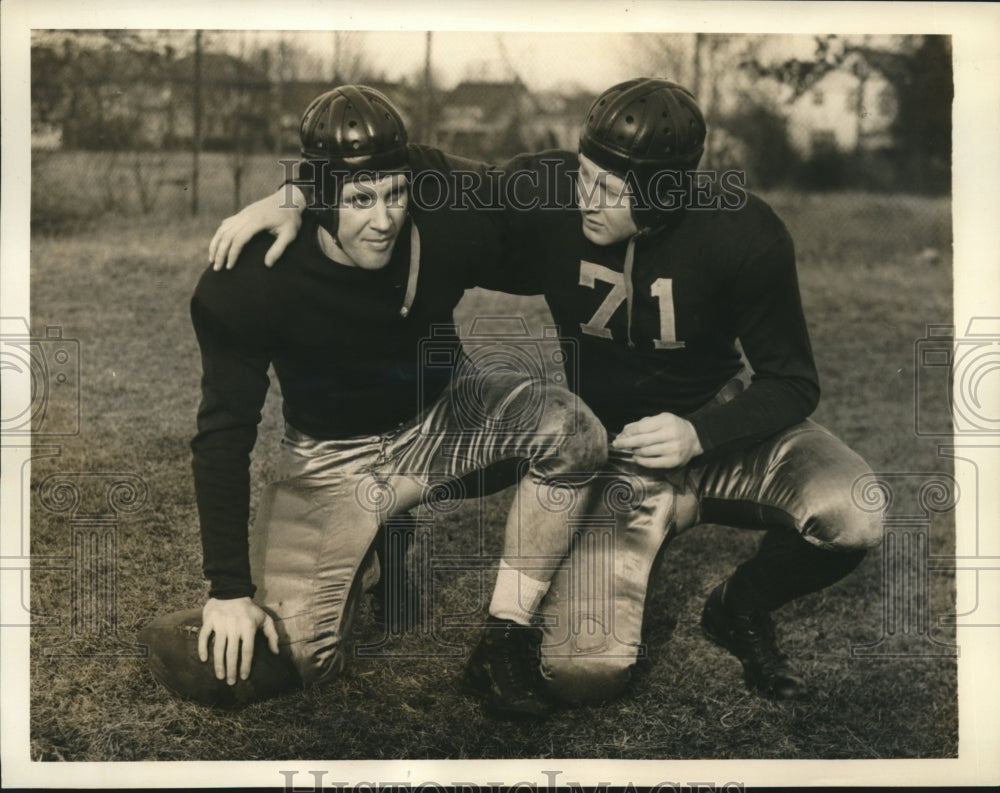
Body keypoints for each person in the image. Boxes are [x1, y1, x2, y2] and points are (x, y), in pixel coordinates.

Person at [207, 78, 884, 704]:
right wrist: (294, 192)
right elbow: (421, 169)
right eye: (584, 176)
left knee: (856, 509)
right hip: (618, 453)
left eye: (609, 190)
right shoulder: (552, 192)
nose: (585, 198)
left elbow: (794, 380)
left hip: (722, 423)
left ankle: (737, 604)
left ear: (663, 196)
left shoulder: (743, 232)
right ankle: (393, 532)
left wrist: (701, 432)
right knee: (582, 670)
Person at [140, 85, 607, 719]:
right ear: (324, 198)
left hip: (447, 413)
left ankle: (505, 640)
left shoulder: (441, 211)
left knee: (573, 433)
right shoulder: (252, 279)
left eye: (394, 194)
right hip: (332, 458)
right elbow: (224, 434)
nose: (384, 219)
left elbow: (535, 181)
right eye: (360, 199)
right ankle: (383, 532)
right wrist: (227, 592)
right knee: (299, 660)